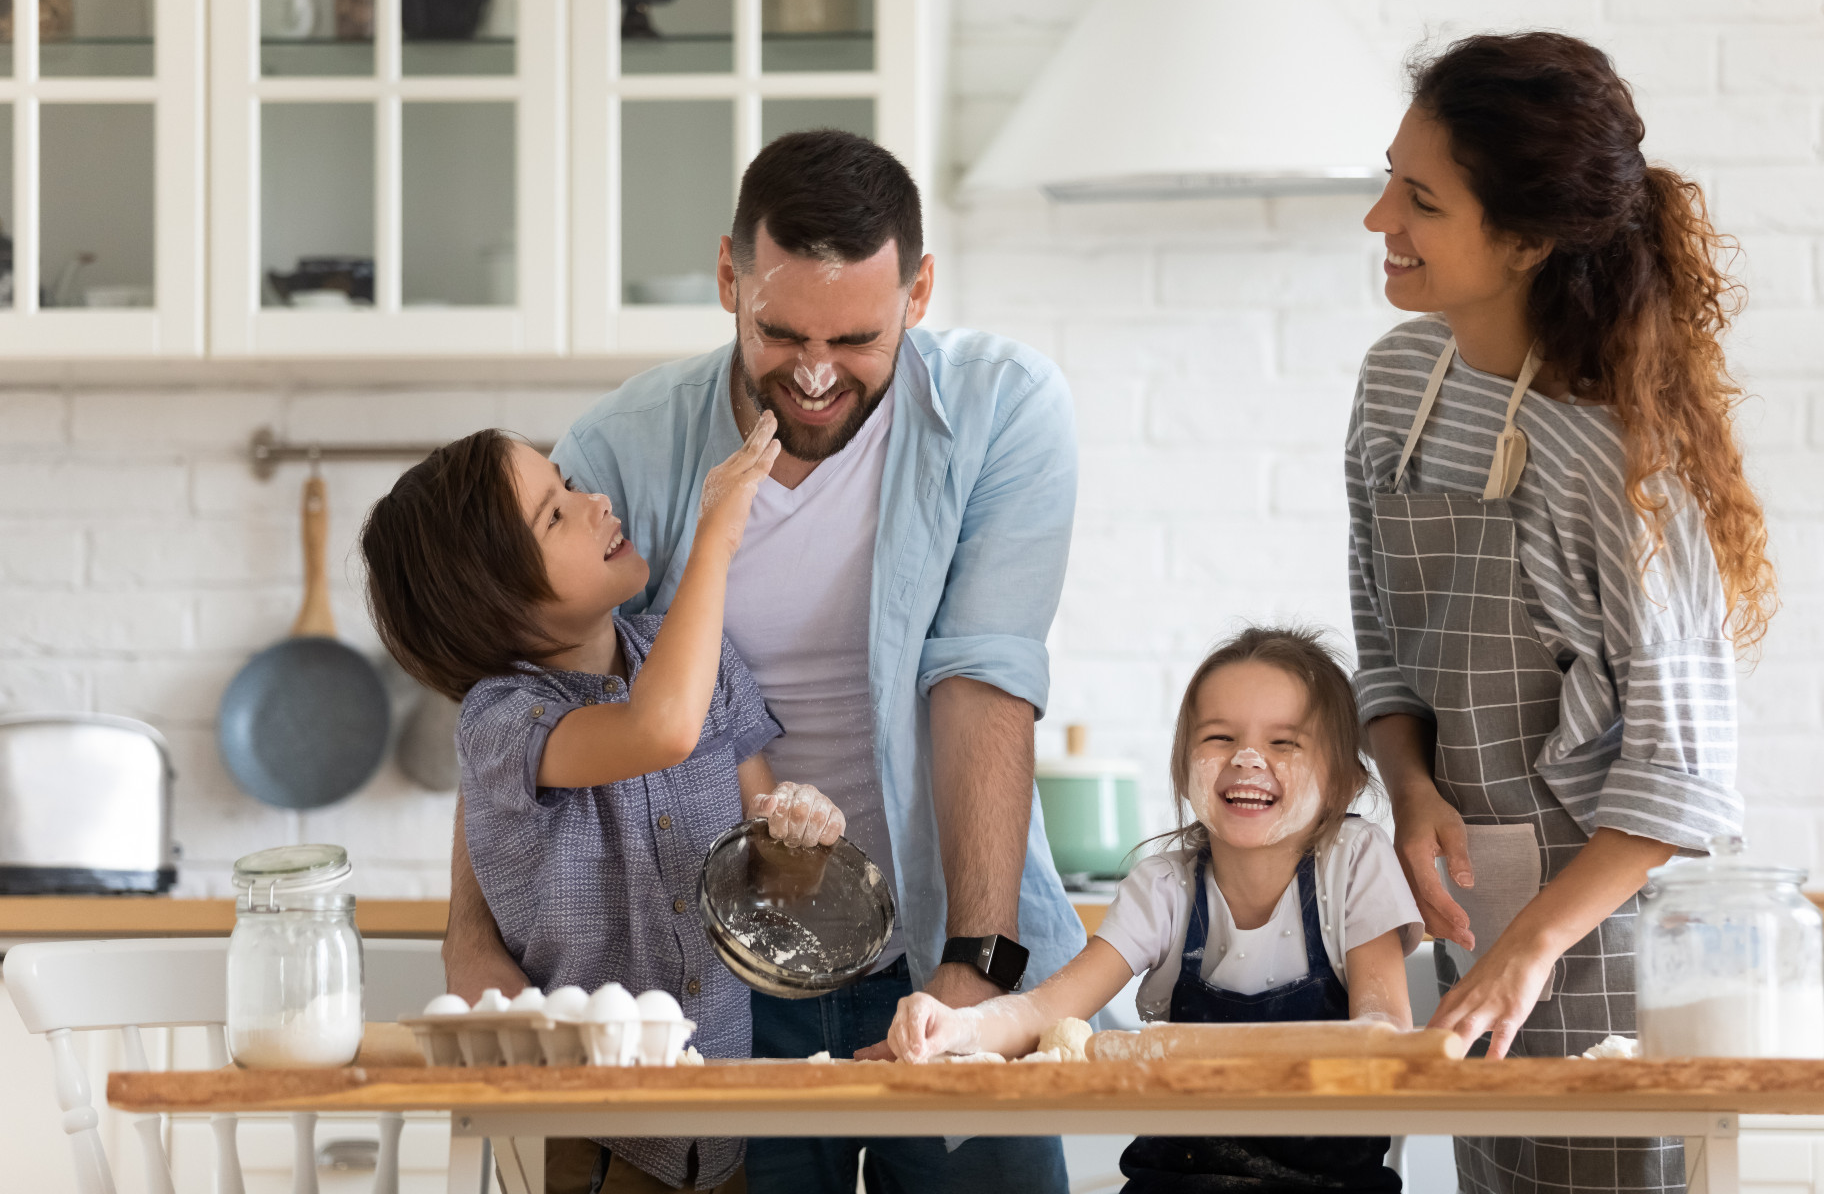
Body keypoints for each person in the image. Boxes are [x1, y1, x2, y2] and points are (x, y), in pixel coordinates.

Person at [440, 128, 1082, 1193]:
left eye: (859, 338)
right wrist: (470, 941)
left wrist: (976, 966)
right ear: (729, 277)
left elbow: (980, 684)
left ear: (919, 292)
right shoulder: (622, 454)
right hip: (719, 975)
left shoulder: (1003, 411)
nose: (818, 375)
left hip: (950, 949)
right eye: (781, 332)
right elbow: (522, 702)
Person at [1346, 31, 1779, 1194]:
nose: (1380, 217)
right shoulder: (1395, 387)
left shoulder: (1614, 457)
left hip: (1611, 951)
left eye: (1421, 198)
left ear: (1528, 239)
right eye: (1390, 177)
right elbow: (1380, 636)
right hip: (1474, 911)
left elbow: (1680, 769)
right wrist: (1411, 784)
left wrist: (1535, 941)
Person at [360, 415, 850, 1192]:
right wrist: (717, 534)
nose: (596, 505)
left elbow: (769, 890)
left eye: (570, 486)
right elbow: (655, 729)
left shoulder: (704, 662)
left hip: (725, 1129)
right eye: (554, 515)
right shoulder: (501, 722)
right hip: (598, 1140)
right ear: (493, 601)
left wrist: (800, 841)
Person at [889, 626, 1424, 1194]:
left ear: (1345, 782)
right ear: (1181, 764)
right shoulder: (1166, 886)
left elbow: (1384, 1032)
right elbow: (1049, 1010)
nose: (1247, 759)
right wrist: (960, 1026)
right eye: (1219, 737)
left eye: (1284, 743)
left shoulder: (1355, 864)